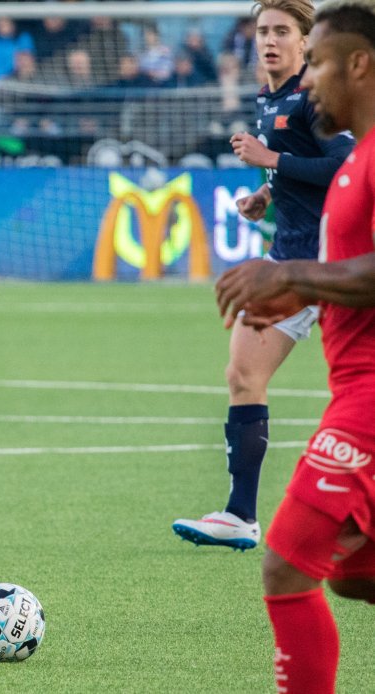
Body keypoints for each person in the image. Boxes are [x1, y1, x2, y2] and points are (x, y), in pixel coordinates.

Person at [214, 3, 375, 690]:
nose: (308, 84)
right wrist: (303, 292)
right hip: (354, 387)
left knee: (286, 561)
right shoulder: (352, 165)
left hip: (369, 401)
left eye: (322, 64)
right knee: (354, 572)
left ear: (360, 65)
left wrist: (293, 274)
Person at [172, 0, 354, 552]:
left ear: (306, 42)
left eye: (282, 32)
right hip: (290, 262)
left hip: (342, 264)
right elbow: (302, 170)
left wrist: (271, 162)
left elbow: (347, 168)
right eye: (262, 31)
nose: (269, 41)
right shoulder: (268, 99)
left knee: (357, 390)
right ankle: (240, 515)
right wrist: (266, 194)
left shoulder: (316, 97)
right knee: (243, 373)